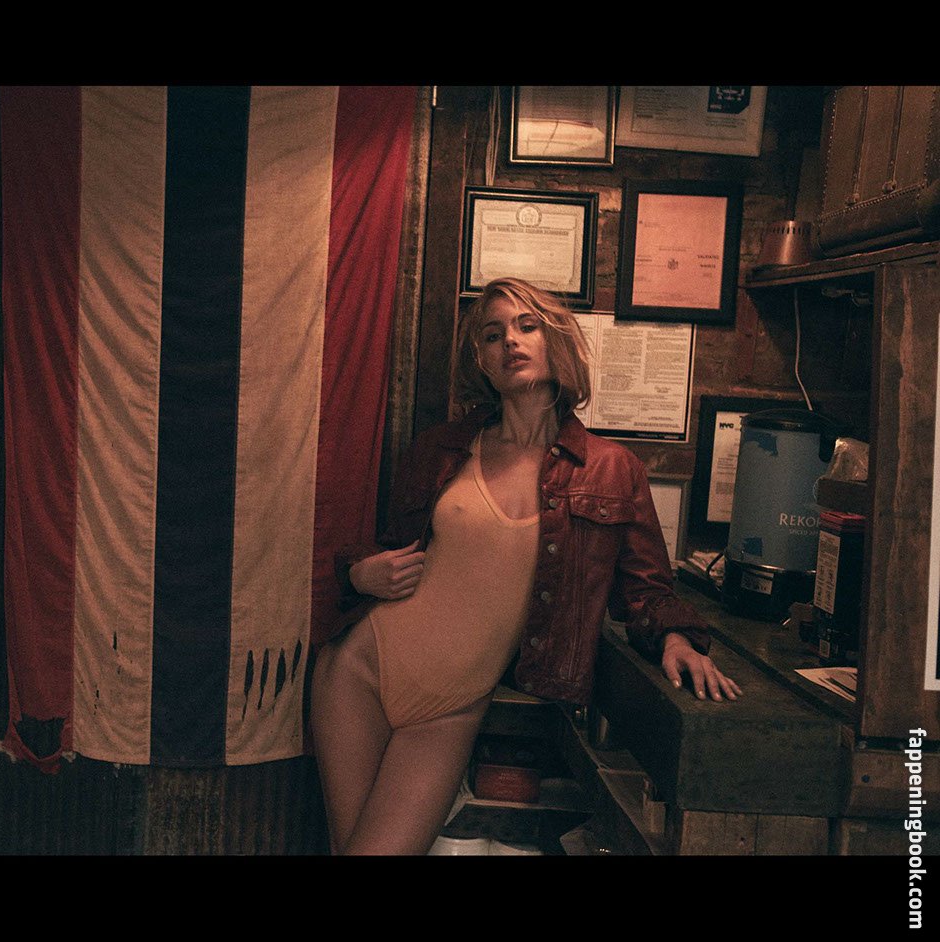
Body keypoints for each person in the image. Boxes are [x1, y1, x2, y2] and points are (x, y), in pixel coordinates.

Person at [310, 276, 741, 855]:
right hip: (360, 668)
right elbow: (387, 549)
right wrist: (361, 573)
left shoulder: (612, 469)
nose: (510, 341)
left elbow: (646, 590)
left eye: (526, 325)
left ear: (554, 341)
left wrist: (677, 639)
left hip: (449, 707)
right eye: (493, 335)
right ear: (482, 362)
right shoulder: (442, 448)